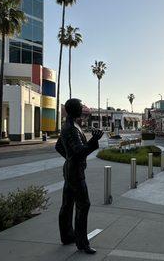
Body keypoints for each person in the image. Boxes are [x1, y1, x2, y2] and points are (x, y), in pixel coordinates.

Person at [55, 98, 103, 254]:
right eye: (81, 106)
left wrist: (69, 159)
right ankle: (82, 243)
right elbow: (79, 151)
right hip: (75, 172)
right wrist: (94, 140)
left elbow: (58, 147)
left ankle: (67, 235)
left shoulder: (69, 126)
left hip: (70, 169)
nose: (83, 108)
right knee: (84, 205)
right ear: (75, 109)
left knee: (67, 204)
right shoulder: (71, 129)